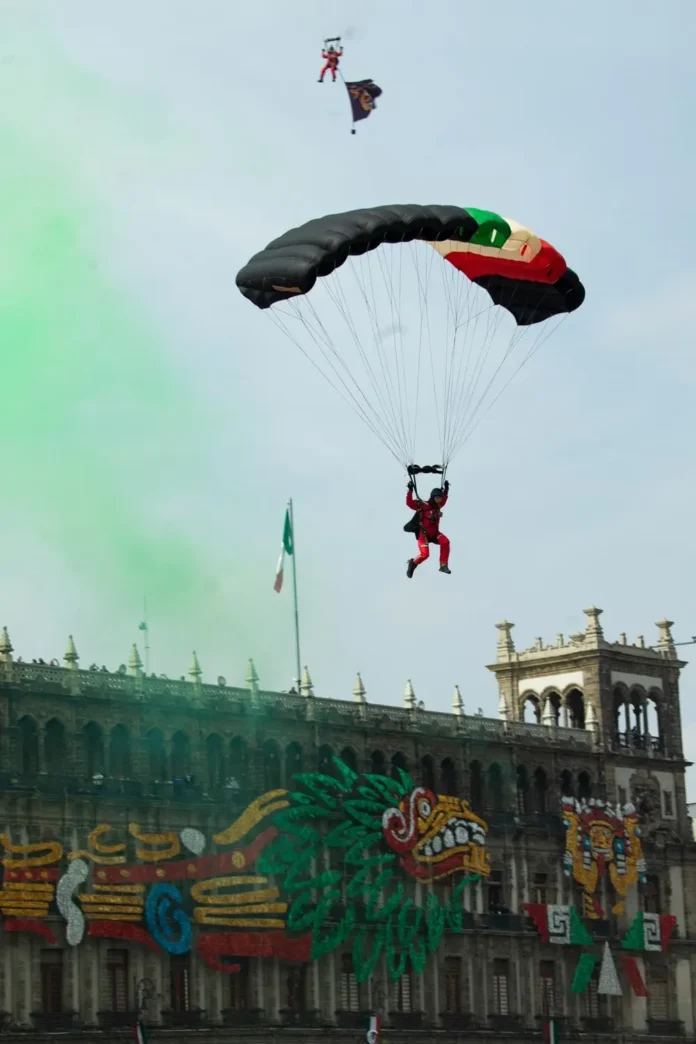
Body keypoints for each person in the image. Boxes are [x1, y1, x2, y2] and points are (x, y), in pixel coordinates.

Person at [405, 481, 451, 578]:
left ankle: (443, 565)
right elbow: (409, 503)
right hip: (424, 535)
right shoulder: (423, 505)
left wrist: (446, 489)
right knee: (425, 554)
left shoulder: (438, 505)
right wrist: (410, 490)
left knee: (446, 542)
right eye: (438, 498)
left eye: (440, 498)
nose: (439, 500)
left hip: (435, 534)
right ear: (433, 498)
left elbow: (445, 499)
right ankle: (413, 563)